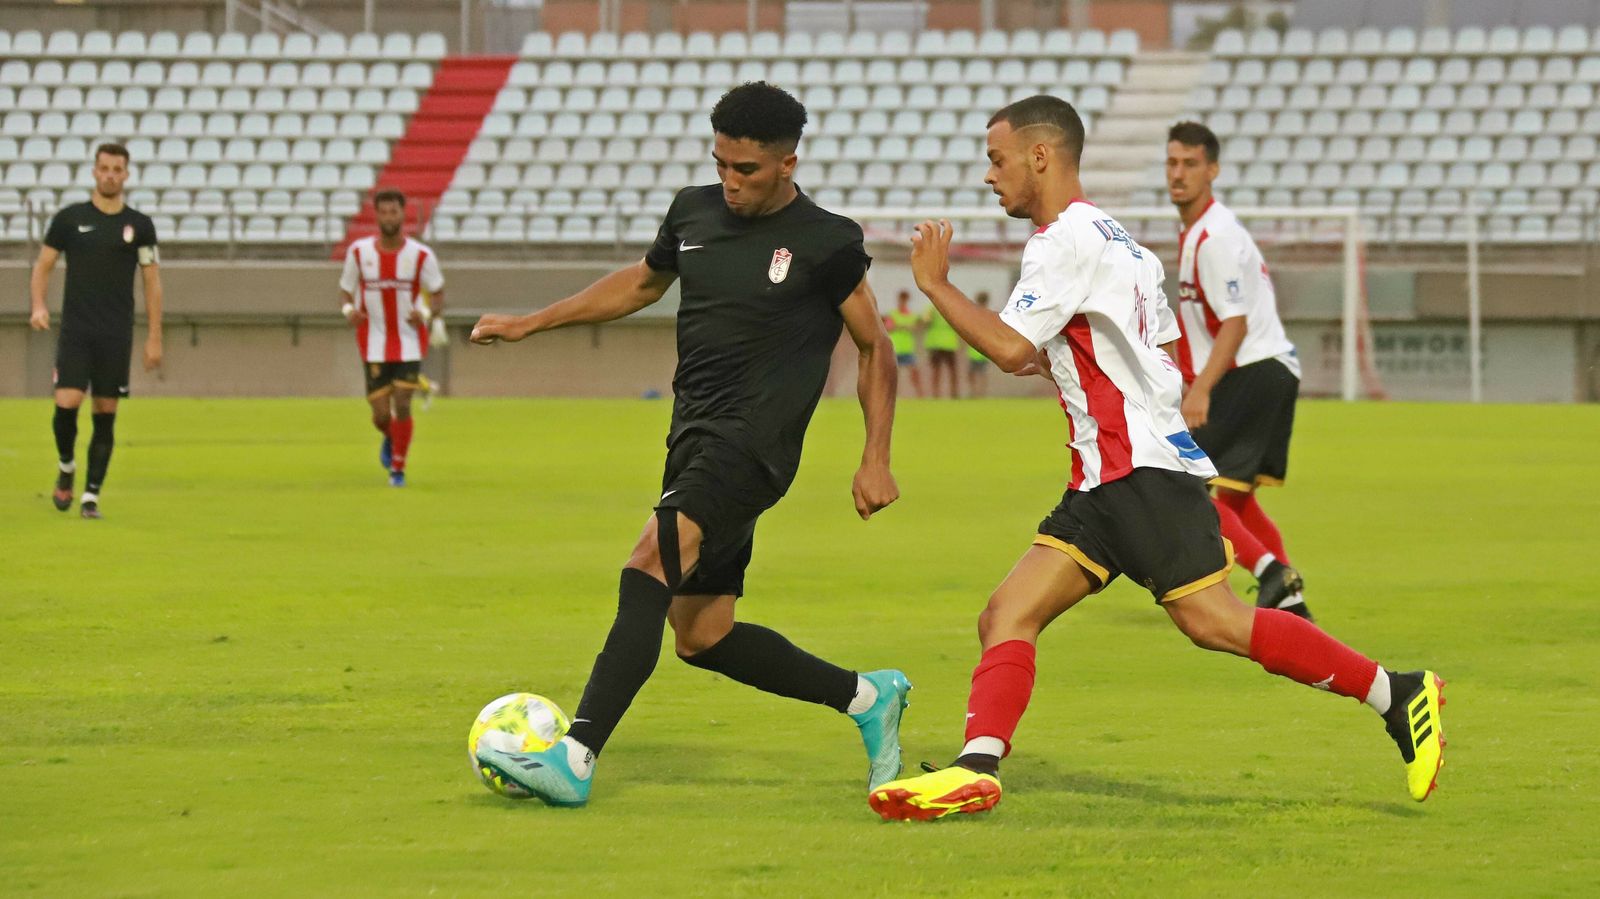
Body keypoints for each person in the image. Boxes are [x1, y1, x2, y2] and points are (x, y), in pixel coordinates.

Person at [867, 96, 1445, 822]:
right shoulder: (1122, 241)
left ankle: (1398, 692)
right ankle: (976, 766)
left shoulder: (1059, 242)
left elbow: (1015, 348)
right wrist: (1076, 374)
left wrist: (936, 284)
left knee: (1215, 620)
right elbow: (1155, 351)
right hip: (1109, 475)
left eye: (997, 158)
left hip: (1134, 471)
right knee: (1006, 612)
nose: (990, 175)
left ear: (1040, 156)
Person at [467, 82, 910, 807]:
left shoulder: (827, 240)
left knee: (649, 555)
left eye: (748, 171)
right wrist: (529, 323)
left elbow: (875, 345)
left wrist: (875, 455)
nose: (731, 183)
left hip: (755, 447)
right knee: (702, 633)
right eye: (722, 165)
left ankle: (575, 756)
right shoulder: (692, 210)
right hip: (694, 437)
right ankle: (868, 697)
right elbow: (643, 284)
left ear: (789, 163)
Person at [1167, 121, 1311, 619]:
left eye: (1189, 164)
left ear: (1213, 170)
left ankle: (1270, 573)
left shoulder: (1215, 237)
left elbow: (1234, 321)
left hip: (1250, 368)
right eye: (1172, 163)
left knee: (1195, 493)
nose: (1178, 174)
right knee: (1238, 498)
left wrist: (1200, 389)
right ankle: (1290, 597)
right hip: (1266, 369)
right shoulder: (1200, 232)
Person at [29, 143, 163, 520]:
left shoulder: (139, 226)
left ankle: (91, 497)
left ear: (126, 175)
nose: (109, 175)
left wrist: (154, 337)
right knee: (66, 405)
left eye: (116, 169)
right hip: (77, 331)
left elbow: (153, 283)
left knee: (105, 411)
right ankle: (67, 465)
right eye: (104, 168)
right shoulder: (69, 220)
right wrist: (38, 305)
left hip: (115, 334)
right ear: (94, 171)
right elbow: (43, 266)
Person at [338, 188, 445, 487]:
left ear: (402, 214)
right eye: (383, 212)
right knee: (381, 416)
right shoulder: (359, 253)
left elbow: (437, 294)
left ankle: (398, 469)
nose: (388, 217)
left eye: (393, 212)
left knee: (403, 402)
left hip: (409, 341)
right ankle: (391, 438)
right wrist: (348, 309)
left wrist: (424, 314)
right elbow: (345, 290)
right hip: (372, 342)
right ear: (376, 215)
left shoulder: (421, 255)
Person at [885, 289, 926, 398]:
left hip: (907, 348)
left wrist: (902, 326)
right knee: (892, 376)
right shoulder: (893, 314)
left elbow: (917, 327)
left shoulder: (911, 315)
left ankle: (920, 396)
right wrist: (902, 326)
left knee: (914, 373)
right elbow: (888, 328)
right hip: (895, 348)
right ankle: (890, 396)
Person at [924, 305, 960, 398]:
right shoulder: (951, 307)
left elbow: (926, 322)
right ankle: (952, 393)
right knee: (949, 370)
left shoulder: (931, 308)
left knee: (938, 371)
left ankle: (937, 394)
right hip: (947, 342)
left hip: (939, 342)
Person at [965, 291, 993, 398]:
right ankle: (980, 392)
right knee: (981, 373)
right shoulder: (990, 314)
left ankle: (975, 391)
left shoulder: (974, 313)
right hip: (985, 348)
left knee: (974, 372)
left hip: (975, 348)